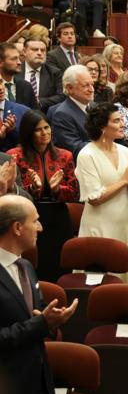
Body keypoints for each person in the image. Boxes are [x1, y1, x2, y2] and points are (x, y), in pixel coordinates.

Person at [0, 195, 78, 394]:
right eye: (35, 221)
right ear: (17, 227)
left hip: (38, 392)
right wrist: (42, 323)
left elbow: (37, 317)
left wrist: (52, 321)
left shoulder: (27, 267)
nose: (41, 227)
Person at [76, 102, 128, 284]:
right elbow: (94, 198)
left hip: (127, 222)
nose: (123, 124)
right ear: (101, 126)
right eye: (116, 121)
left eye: (122, 119)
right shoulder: (86, 155)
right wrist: (124, 179)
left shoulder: (124, 151)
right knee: (102, 278)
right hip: (100, 224)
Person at [8, 110, 78, 281]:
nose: (44, 133)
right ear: (28, 132)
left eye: (47, 127)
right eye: (38, 129)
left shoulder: (64, 155)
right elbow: (12, 192)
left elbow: (75, 193)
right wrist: (32, 189)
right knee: (33, 269)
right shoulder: (15, 156)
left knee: (60, 268)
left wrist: (56, 190)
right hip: (28, 218)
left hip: (58, 216)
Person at [51, 65, 94, 158]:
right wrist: (104, 146)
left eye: (92, 84)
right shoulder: (62, 114)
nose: (91, 89)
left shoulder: (96, 106)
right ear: (70, 88)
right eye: (86, 85)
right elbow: (74, 148)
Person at [16, 38, 64, 113]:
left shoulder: (54, 73)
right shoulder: (15, 71)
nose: (39, 53)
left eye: (43, 50)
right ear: (24, 52)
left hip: (44, 114)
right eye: (35, 49)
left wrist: (40, 101)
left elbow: (62, 96)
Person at [0, 42, 37, 109]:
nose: (19, 62)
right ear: (1, 63)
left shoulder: (26, 86)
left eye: (19, 58)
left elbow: (35, 112)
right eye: (14, 59)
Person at [0, 79, 29, 153]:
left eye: (0, 82)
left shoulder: (23, 111)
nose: (0, 87)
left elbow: (31, 142)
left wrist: (13, 131)